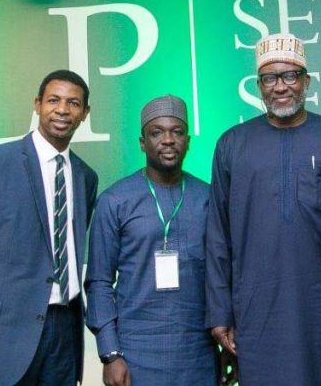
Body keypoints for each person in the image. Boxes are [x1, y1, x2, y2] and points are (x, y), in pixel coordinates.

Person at [205, 33, 321, 386]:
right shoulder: (232, 144)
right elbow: (217, 236)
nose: (280, 87)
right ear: (258, 85)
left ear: (307, 81)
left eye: (290, 76)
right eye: (270, 78)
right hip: (259, 310)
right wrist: (220, 311)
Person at [0, 70, 98, 386]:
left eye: (73, 103)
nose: (62, 110)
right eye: (53, 100)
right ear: (37, 104)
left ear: (84, 113)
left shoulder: (86, 177)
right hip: (5, 337)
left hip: (65, 333)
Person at [85, 95, 235, 386]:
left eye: (177, 132)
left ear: (188, 141)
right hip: (134, 353)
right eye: (157, 132)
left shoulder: (209, 199)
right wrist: (110, 353)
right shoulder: (115, 201)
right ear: (142, 143)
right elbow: (99, 282)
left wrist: (228, 343)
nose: (168, 140)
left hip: (198, 353)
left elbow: (225, 274)